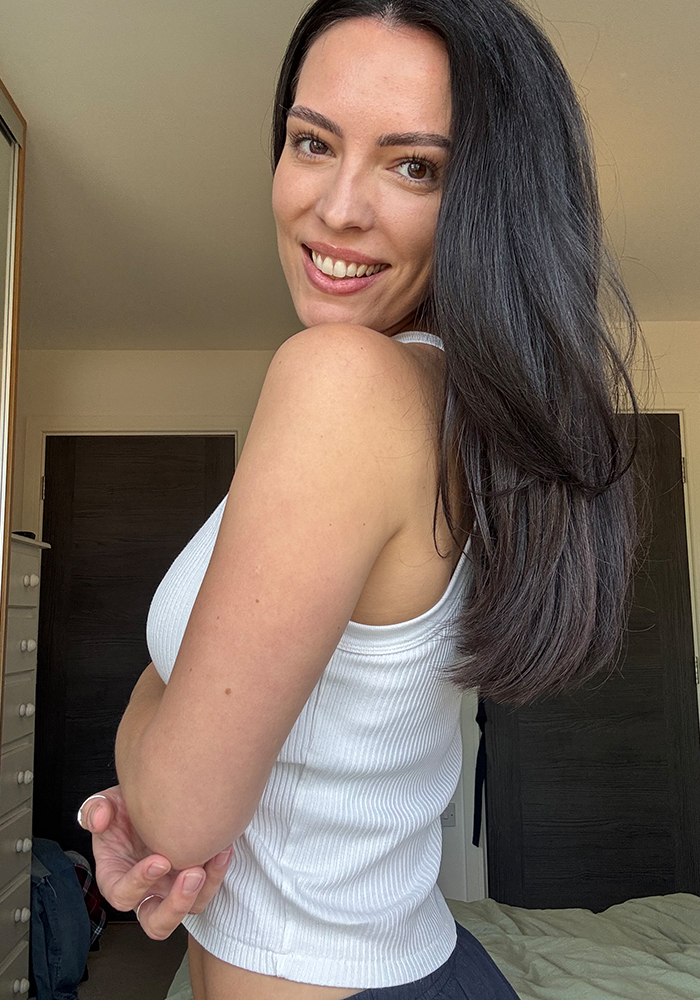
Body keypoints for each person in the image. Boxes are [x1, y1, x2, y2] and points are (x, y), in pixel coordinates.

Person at [77, 0, 645, 997]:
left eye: (413, 165)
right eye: (313, 142)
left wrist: (145, 739)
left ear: (489, 201)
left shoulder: (342, 383)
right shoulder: (458, 406)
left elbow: (178, 817)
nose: (337, 209)